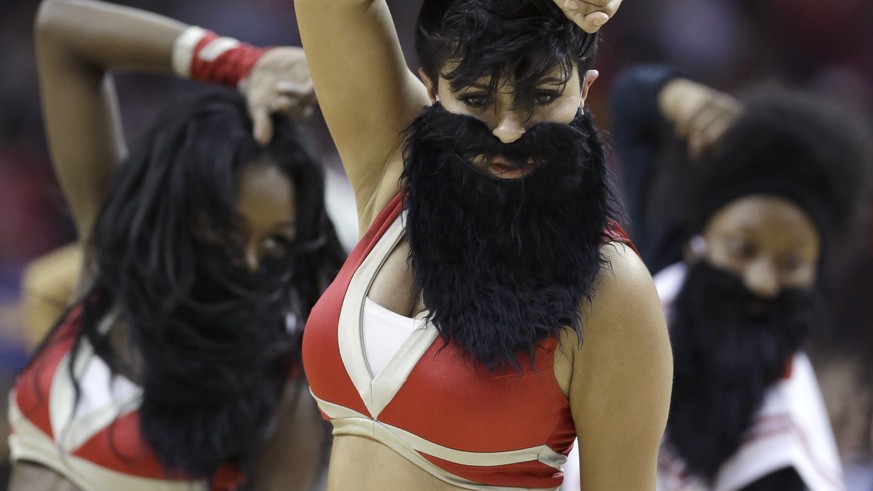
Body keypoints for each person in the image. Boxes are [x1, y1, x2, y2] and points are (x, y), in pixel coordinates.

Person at [294, 0, 673, 489]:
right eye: (476, 99)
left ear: (585, 89)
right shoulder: (395, 165)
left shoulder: (613, 286)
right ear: (431, 85)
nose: (509, 130)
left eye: (540, 97)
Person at [7, 1, 346, 490]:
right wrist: (241, 64)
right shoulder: (111, 262)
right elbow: (61, 29)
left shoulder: (278, 386)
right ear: (181, 212)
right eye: (228, 230)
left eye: (275, 244)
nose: (248, 261)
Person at [610, 65, 873, 491]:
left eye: (791, 264)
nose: (762, 282)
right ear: (699, 242)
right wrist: (679, 96)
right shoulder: (666, 271)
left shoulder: (785, 460)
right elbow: (630, 104)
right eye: (743, 249)